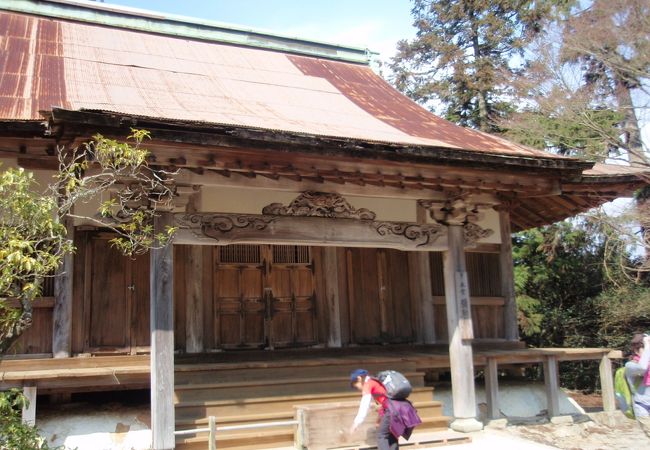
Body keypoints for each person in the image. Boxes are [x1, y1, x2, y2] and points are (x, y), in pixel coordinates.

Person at [349, 368, 398, 450]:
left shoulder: (368, 384)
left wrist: (355, 424)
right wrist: (379, 420)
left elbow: (364, 406)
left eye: (356, 385)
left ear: (359, 379)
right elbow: (383, 403)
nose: (357, 388)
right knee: (391, 434)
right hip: (397, 407)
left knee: (381, 435)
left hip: (392, 408)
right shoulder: (374, 382)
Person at [624, 333, 650, 436]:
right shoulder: (630, 366)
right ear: (635, 350)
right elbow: (642, 368)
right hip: (643, 409)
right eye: (644, 348)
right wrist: (647, 345)